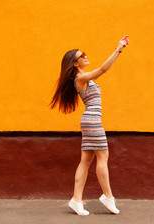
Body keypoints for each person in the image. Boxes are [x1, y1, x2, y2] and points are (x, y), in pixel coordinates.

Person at [50, 36, 129, 216]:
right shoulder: (81, 78)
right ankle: (108, 197)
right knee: (103, 157)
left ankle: (76, 200)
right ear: (76, 64)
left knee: (85, 161)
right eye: (81, 55)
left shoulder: (82, 77)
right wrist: (118, 49)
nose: (85, 56)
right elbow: (103, 69)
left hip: (89, 120)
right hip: (92, 120)